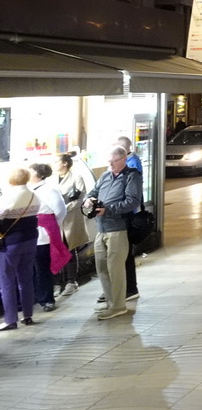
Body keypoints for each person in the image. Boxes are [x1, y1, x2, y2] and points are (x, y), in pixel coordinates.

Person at [83, 146, 142, 320]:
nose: (110, 164)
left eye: (113, 161)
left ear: (123, 159)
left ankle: (118, 305)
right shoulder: (105, 176)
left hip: (118, 228)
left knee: (115, 268)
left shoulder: (132, 176)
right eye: (108, 161)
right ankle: (110, 302)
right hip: (101, 228)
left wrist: (107, 210)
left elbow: (132, 201)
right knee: (101, 267)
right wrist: (88, 200)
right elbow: (92, 192)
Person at [0, 168, 42, 330]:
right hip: (31, 239)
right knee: (26, 277)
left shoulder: (10, 196)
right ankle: (28, 315)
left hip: (11, 242)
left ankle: (10, 319)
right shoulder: (34, 195)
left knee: (7, 280)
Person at [28, 163, 68, 313]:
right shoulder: (27, 190)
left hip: (43, 235)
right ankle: (32, 298)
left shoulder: (50, 190)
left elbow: (60, 211)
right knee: (30, 268)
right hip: (29, 233)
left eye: (30, 171)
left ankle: (46, 299)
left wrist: (49, 224)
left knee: (43, 267)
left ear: (39, 175)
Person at [55, 152, 89, 298]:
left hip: (70, 218)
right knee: (56, 251)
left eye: (57, 161)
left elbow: (81, 199)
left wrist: (65, 208)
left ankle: (71, 282)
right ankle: (56, 283)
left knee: (70, 249)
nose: (54, 163)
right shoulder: (51, 179)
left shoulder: (76, 178)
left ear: (65, 163)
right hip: (56, 220)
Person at [115, 136, 141, 303]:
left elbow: (130, 197)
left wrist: (111, 208)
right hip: (119, 218)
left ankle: (129, 288)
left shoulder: (132, 168)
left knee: (125, 254)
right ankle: (121, 288)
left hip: (126, 216)